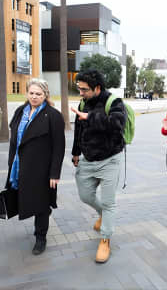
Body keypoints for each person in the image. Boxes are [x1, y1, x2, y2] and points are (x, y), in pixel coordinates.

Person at [71, 69, 126, 263]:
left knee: (109, 202)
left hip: (110, 160)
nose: (81, 93)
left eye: (84, 89)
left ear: (97, 88)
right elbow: (79, 129)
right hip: (88, 159)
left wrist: (90, 118)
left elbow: (118, 123)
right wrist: (76, 152)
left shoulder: (114, 102)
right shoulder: (83, 103)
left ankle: (105, 239)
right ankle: (102, 214)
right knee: (85, 195)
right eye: (79, 89)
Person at [6, 78, 65, 255]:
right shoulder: (20, 111)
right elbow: (14, 140)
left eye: (38, 94)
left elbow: (59, 147)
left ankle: (41, 237)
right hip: (20, 166)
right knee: (23, 197)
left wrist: (54, 173)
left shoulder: (53, 116)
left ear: (45, 95)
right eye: (31, 93)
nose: (34, 97)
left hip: (42, 170)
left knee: (41, 204)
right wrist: (11, 163)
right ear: (27, 93)